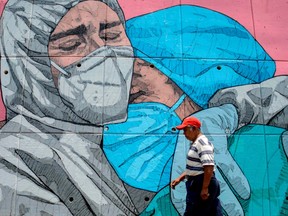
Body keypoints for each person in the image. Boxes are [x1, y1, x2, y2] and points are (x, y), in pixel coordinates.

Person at [0, 0, 155, 215]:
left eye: (111, 36)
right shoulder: (12, 161)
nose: (104, 53)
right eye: (71, 45)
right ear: (32, 66)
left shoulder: (108, 144)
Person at [170, 116, 222, 216]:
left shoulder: (202, 143)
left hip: (200, 182)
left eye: (185, 130)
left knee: (193, 212)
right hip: (198, 181)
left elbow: (208, 167)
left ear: (193, 128)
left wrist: (205, 188)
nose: (184, 133)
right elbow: (195, 167)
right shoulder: (196, 143)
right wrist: (179, 179)